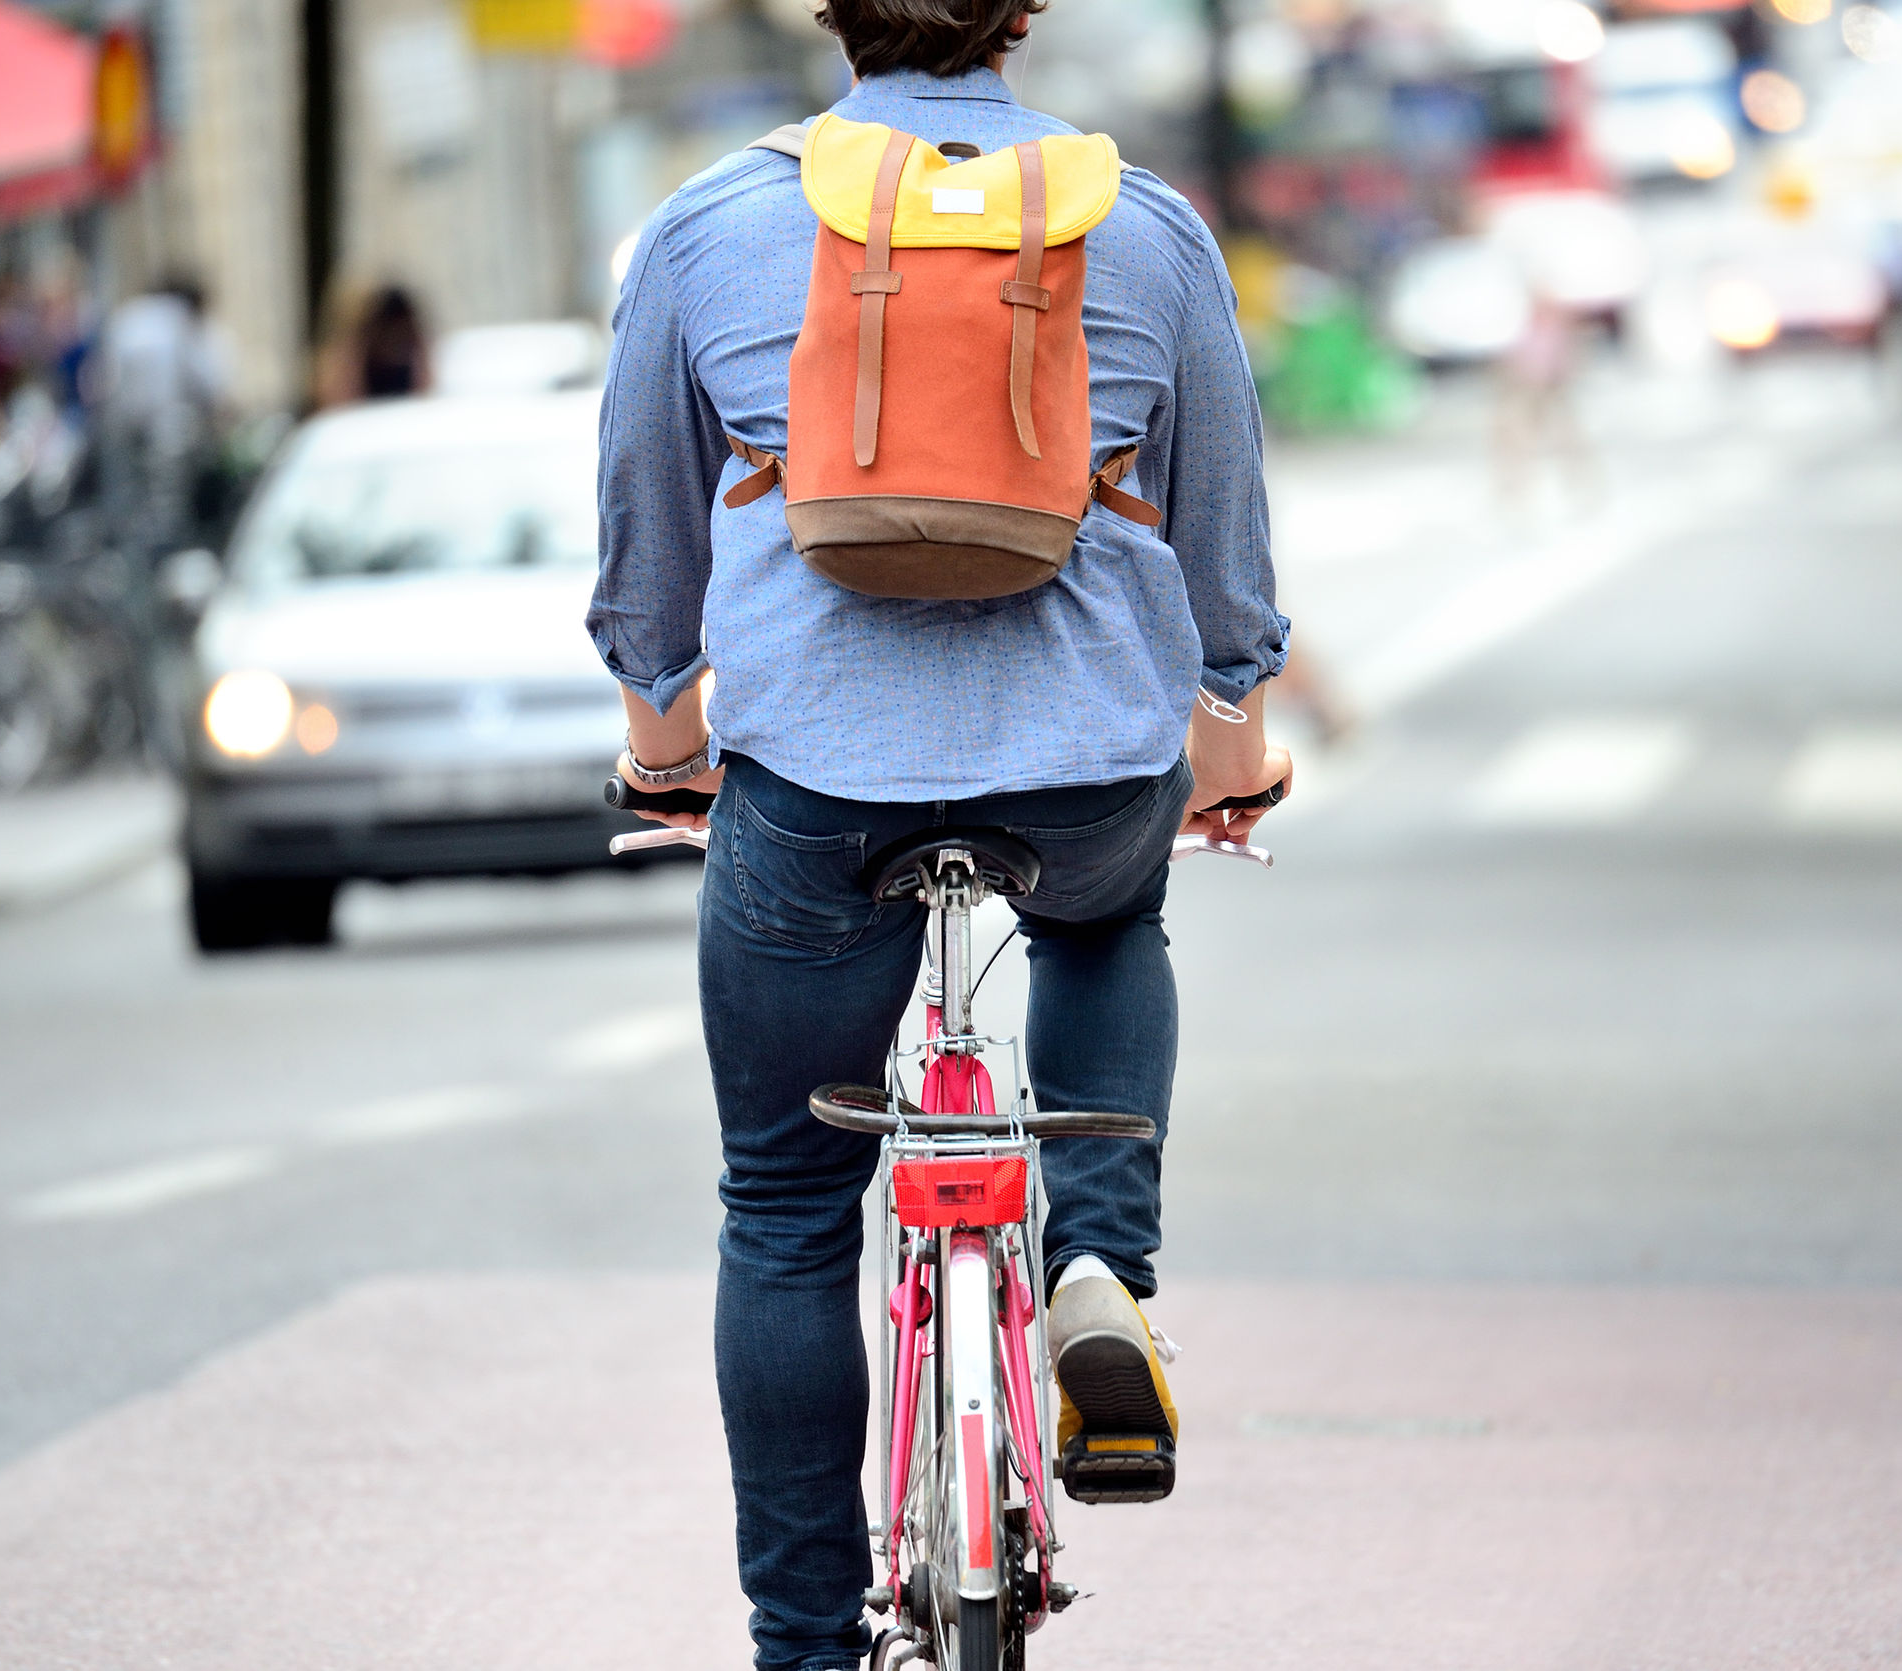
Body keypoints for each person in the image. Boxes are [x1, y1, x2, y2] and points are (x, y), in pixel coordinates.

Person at [586, 3, 1291, 1666]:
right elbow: (1222, 538)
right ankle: (1097, 1269)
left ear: (829, 13)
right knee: (1110, 922)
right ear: (1020, 17)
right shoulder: (1149, 223)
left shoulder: (705, 228)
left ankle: (806, 1645)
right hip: (1085, 775)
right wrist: (1235, 734)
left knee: (783, 1203)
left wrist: (659, 735)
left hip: (815, 787)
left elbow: (645, 545)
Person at [91, 274, 230, 552]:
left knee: (129, 508)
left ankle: (134, 560)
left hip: (124, 428)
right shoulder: (178, 321)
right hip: (167, 428)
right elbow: (205, 379)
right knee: (170, 510)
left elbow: (103, 379)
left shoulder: (127, 317)